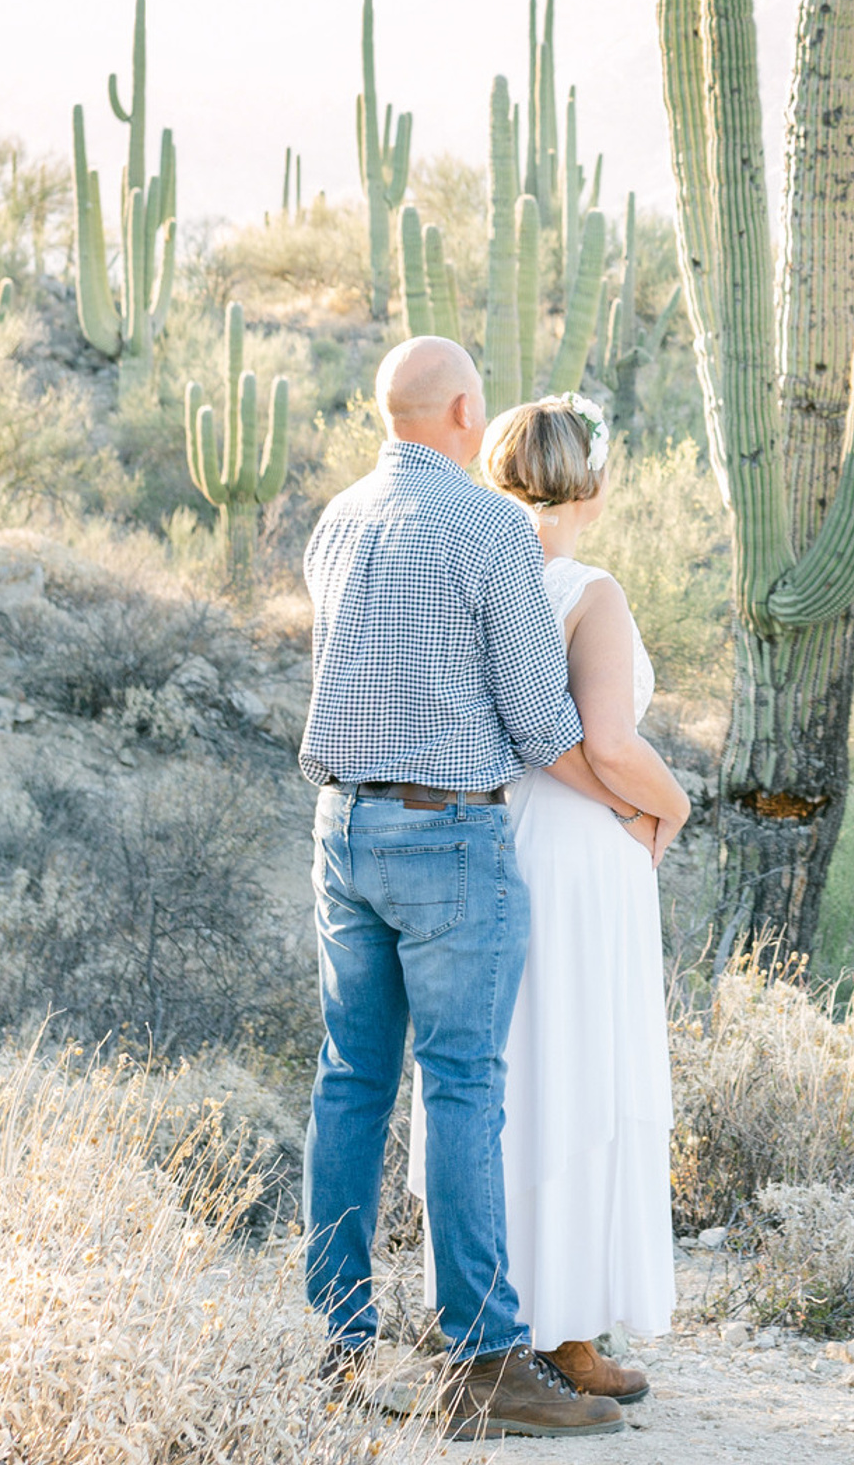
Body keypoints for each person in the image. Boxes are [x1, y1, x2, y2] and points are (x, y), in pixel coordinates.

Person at [299, 336, 626, 1440]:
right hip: (449, 837)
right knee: (462, 1088)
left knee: (350, 1081)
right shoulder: (489, 528)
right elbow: (542, 721)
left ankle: (337, 1342)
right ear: (462, 412)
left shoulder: (336, 520)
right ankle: (485, 1357)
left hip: (342, 824)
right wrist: (639, 800)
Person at [407, 393, 688, 1403]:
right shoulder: (589, 589)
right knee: (583, 1067)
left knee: (508, 1074)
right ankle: (569, 1331)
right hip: (581, 847)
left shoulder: (466, 572)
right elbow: (606, 743)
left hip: (494, 830)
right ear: (595, 487)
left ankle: (504, 1316)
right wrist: (673, 804)